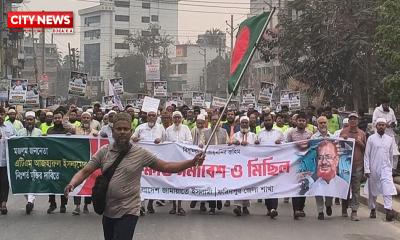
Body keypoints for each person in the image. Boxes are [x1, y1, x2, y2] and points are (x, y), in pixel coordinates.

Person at [64, 113, 205, 240]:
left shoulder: (140, 153)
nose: (122, 132)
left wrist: (191, 162)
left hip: (129, 210)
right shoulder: (104, 152)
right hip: (108, 210)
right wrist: (72, 184)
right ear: (113, 132)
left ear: (131, 132)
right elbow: (85, 171)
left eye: (126, 129)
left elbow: (166, 167)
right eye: (119, 129)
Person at [131, 110, 165, 215]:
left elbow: (167, 142)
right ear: (147, 117)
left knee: (153, 181)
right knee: (142, 182)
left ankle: (151, 202)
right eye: (149, 115)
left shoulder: (161, 128)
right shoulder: (140, 127)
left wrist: (160, 140)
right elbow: (132, 137)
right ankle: (141, 205)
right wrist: (134, 138)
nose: (151, 117)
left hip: (155, 159)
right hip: (141, 159)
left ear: (156, 117)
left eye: (153, 115)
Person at [364, 118, 397, 222]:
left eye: (383, 125)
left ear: (385, 126)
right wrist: (367, 169)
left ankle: (388, 210)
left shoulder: (390, 139)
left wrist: (391, 168)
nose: (381, 126)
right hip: (374, 168)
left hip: (386, 168)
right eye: (379, 125)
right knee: (373, 191)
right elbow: (367, 155)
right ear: (376, 126)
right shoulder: (371, 139)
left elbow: (391, 155)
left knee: (388, 189)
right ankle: (373, 208)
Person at [255, 113, 283, 219]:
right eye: (265, 120)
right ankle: (268, 208)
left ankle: (273, 209)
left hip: (275, 163)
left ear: (273, 120)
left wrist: (280, 143)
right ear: (263, 121)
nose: (267, 122)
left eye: (269, 120)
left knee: (274, 186)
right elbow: (254, 148)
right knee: (266, 187)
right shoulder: (260, 134)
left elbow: (286, 146)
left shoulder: (279, 133)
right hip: (263, 164)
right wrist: (256, 143)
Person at [340, 112, 366, 221]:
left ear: (357, 121)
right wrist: (343, 140)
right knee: (345, 188)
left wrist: (359, 142)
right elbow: (338, 147)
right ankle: (344, 208)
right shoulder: (343, 132)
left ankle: (354, 211)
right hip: (346, 165)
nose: (353, 121)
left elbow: (365, 149)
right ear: (349, 121)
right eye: (351, 119)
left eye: (355, 119)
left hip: (358, 164)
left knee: (356, 189)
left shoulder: (362, 133)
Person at [165, 111, 193, 216]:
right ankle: (173, 206)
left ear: (181, 119)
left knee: (180, 183)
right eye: (175, 118)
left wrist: (179, 144)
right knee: (172, 182)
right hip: (172, 159)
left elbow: (190, 141)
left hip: (182, 159)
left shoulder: (186, 128)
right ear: (172, 119)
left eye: (178, 118)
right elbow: (165, 143)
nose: (177, 120)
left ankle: (180, 206)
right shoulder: (168, 130)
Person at [46, 111, 74, 214]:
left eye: (59, 118)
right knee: (51, 181)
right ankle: (52, 203)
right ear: (53, 119)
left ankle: (63, 204)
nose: (57, 119)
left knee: (63, 182)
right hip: (52, 160)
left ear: (62, 119)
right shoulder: (50, 130)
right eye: (55, 118)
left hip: (63, 160)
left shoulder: (67, 130)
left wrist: (70, 136)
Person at [286, 112, 312, 220]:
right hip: (294, 164)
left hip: (306, 163)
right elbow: (285, 146)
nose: (301, 122)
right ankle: (296, 209)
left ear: (306, 122)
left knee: (304, 185)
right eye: (299, 120)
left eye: (303, 120)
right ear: (296, 121)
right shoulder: (291, 133)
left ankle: (301, 208)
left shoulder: (310, 134)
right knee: (295, 187)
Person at [17, 111, 42, 214]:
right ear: (25, 121)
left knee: (33, 180)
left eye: (31, 119)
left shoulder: (39, 132)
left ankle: (30, 201)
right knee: (22, 181)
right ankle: (29, 199)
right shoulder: (20, 132)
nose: (29, 121)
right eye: (27, 120)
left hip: (35, 160)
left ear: (34, 121)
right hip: (22, 161)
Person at [203, 113, 229, 215]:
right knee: (211, 184)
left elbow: (227, 145)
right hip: (210, 162)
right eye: (213, 120)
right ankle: (212, 207)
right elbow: (202, 144)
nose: (215, 122)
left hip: (221, 162)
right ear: (210, 121)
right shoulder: (205, 133)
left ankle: (219, 200)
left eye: (216, 120)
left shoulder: (224, 132)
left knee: (220, 183)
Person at [310, 117, 334, 220]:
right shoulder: (313, 138)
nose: (323, 125)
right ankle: (320, 211)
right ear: (317, 125)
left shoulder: (333, 137)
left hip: (329, 168)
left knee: (329, 188)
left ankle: (328, 204)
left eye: (324, 123)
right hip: (317, 167)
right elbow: (310, 152)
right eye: (321, 123)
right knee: (318, 189)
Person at [232, 116, 256, 216]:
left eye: (246, 123)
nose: (245, 124)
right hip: (238, 164)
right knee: (238, 185)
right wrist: (234, 143)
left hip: (249, 164)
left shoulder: (253, 135)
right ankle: (237, 206)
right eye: (243, 123)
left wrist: (250, 144)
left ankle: (245, 206)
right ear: (240, 124)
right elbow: (229, 145)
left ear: (249, 124)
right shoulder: (235, 135)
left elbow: (257, 148)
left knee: (247, 185)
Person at [189, 114, 207, 212]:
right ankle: (194, 198)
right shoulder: (192, 130)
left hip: (203, 158)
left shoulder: (207, 131)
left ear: (204, 123)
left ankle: (202, 203)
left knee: (203, 181)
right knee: (194, 180)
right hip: (193, 157)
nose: (200, 125)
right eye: (198, 123)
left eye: (202, 123)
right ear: (196, 123)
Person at [0, 107, 16, 215]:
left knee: (5, 183)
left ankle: (3, 203)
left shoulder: (9, 127)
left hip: (5, 161)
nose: (0, 116)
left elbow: (16, 139)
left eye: (1, 114)